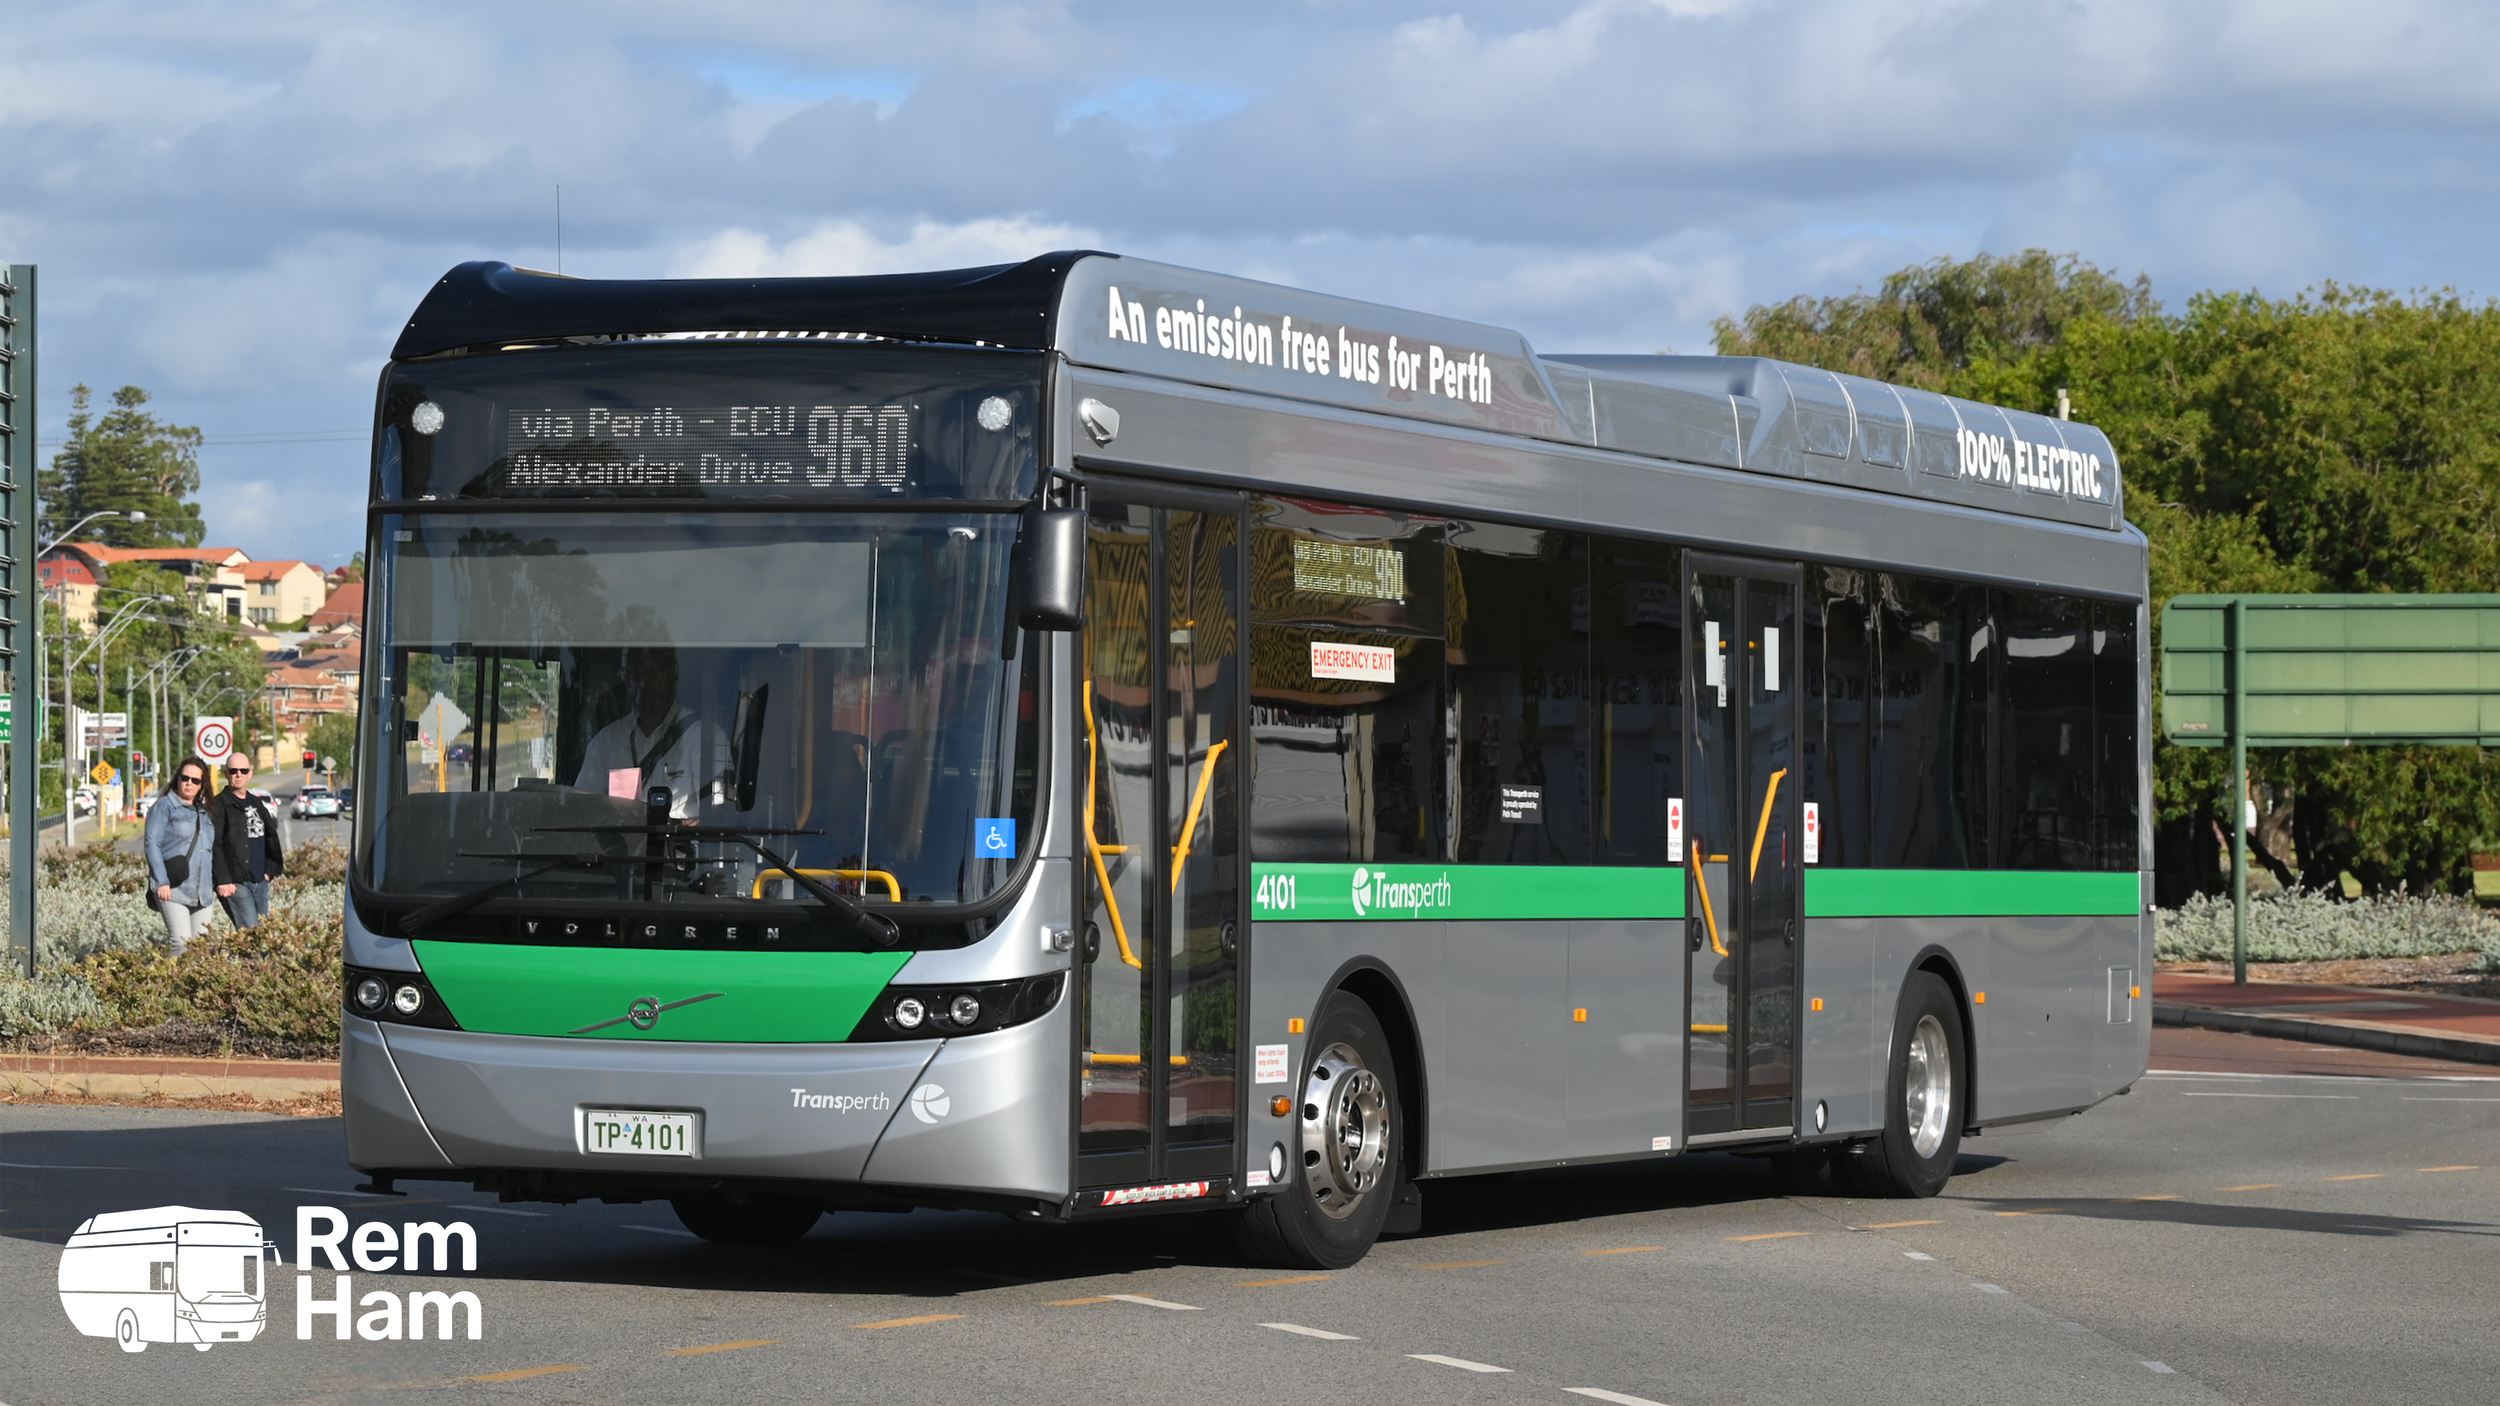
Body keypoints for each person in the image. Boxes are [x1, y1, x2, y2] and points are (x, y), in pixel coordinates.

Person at [572, 646, 725, 820]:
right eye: (636, 675)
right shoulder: (606, 742)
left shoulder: (703, 736)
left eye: (652, 673)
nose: (644, 684)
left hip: (681, 844)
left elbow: (718, 815)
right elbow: (582, 811)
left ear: (673, 676)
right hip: (621, 844)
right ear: (627, 680)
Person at [143, 756, 218, 952]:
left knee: (200, 949)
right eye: (185, 778)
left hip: (202, 892)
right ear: (177, 779)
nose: (189, 784)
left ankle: (189, 983)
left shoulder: (205, 811)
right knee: (181, 945)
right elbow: (152, 843)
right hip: (173, 888)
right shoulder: (164, 807)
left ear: (202, 785)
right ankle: (167, 982)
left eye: (195, 780)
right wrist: (161, 881)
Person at [209, 756, 285, 929]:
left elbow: (269, 837)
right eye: (233, 771)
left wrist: (269, 871)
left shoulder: (256, 802)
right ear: (225, 774)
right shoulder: (218, 805)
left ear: (250, 773)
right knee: (251, 932)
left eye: (243, 771)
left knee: (263, 934)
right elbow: (214, 844)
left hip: (260, 880)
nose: (238, 775)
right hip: (235, 882)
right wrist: (222, 880)